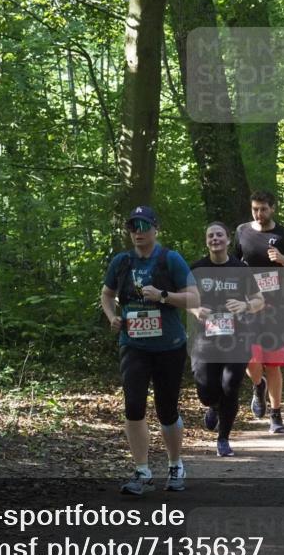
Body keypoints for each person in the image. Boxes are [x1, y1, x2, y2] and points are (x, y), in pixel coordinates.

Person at [101, 206, 200, 495]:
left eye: (144, 226)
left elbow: (194, 299)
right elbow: (107, 294)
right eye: (133, 227)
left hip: (169, 346)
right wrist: (112, 316)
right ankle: (142, 471)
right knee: (133, 407)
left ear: (156, 229)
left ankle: (175, 465)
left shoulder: (170, 259)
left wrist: (163, 295)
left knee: (166, 409)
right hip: (133, 345)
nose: (138, 232)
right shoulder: (121, 262)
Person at [189, 222, 265, 457]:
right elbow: (185, 298)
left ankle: (223, 438)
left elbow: (259, 300)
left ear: (228, 239)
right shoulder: (197, 269)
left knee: (230, 386)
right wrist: (195, 310)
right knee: (206, 392)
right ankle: (212, 405)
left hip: (237, 337)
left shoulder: (240, 268)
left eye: (219, 235)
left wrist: (245, 305)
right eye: (210, 235)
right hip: (205, 339)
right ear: (206, 241)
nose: (215, 239)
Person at [233, 191, 284, 434]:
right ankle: (258, 385)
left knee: (273, 364)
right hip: (248, 307)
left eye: (263, 209)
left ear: (272, 208)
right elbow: (231, 265)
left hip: (276, 308)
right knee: (250, 358)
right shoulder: (242, 231)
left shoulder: (283, 234)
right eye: (255, 209)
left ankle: (276, 414)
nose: (259, 214)